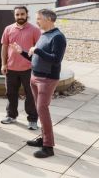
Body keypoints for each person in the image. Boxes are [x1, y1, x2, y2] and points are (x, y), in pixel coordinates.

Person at [13, 9, 67, 158]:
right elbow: (36, 58)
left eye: (39, 19)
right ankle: (43, 138)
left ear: (49, 19)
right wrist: (22, 52)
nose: (36, 21)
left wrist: (37, 50)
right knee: (40, 110)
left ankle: (48, 147)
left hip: (47, 79)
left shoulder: (58, 37)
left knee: (42, 110)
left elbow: (56, 59)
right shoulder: (44, 35)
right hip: (35, 77)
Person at [0, 6, 41, 130]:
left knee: (31, 95)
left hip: (29, 69)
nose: (20, 17)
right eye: (17, 15)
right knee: (11, 94)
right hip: (11, 68)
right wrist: (3, 63)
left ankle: (33, 120)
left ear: (27, 14)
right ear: (14, 15)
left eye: (22, 14)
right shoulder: (8, 29)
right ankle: (11, 116)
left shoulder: (34, 30)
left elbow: (39, 49)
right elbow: (4, 47)